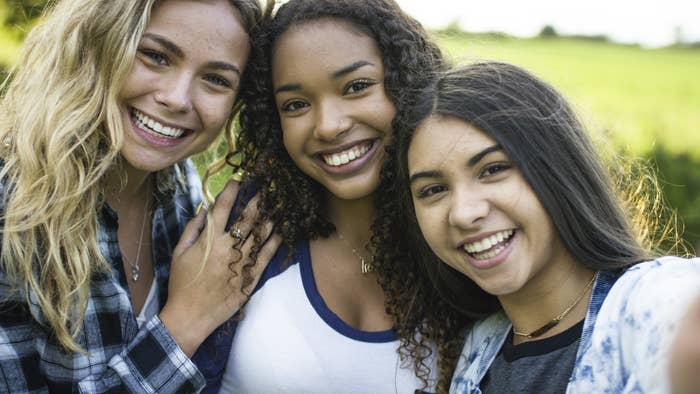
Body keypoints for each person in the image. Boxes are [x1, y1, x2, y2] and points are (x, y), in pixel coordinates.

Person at [0, 0, 279, 392]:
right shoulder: (10, 206)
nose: (178, 99)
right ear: (100, 43)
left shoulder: (176, 185)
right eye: (155, 56)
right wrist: (185, 323)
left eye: (216, 79)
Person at [375, 61, 700, 393]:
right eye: (433, 190)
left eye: (493, 169)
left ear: (557, 169)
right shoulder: (476, 351)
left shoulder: (650, 305)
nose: (463, 213)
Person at [191, 0, 446, 392]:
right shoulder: (245, 236)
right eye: (296, 105)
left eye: (357, 87)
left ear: (406, 83)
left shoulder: (460, 230)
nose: (328, 126)